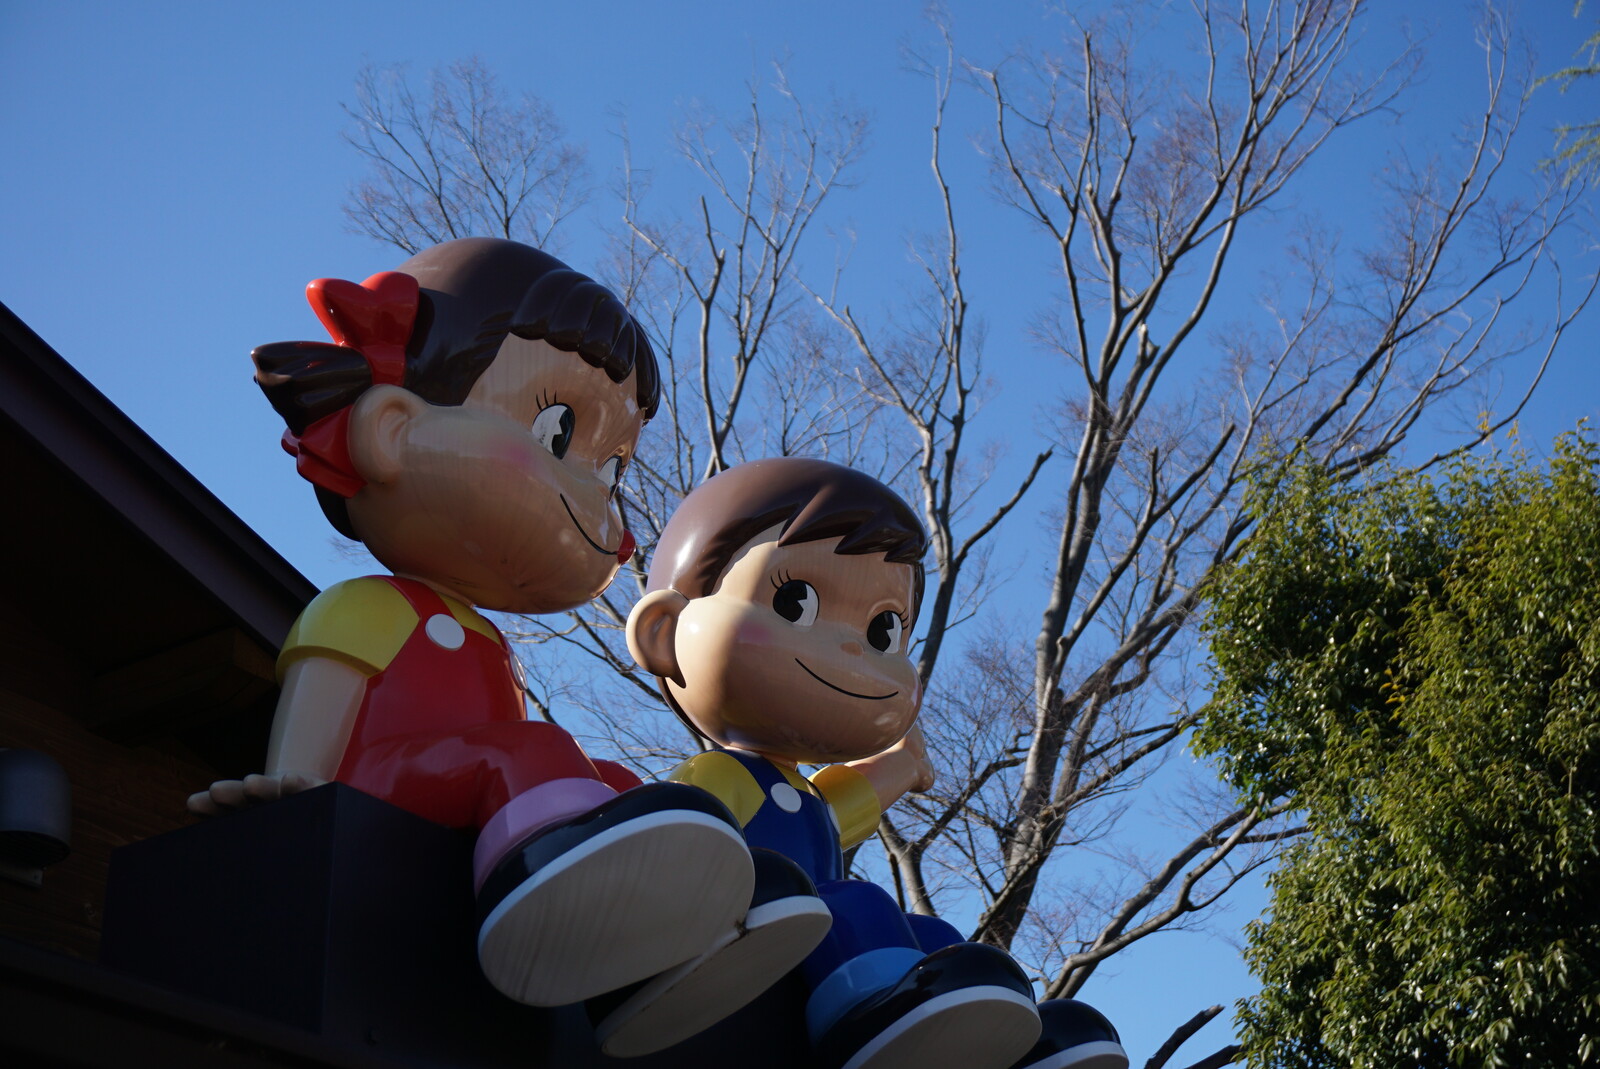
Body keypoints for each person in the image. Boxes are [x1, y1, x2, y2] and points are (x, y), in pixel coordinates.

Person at [186, 238, 757, 1028]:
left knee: (622, 784)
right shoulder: (369, 605)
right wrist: (292, 788)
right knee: (529, 753)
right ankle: (550, 890)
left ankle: (661, 953)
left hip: (457, 817)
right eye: (558, 432)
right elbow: (326, 694)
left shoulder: (493, 644)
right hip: (372, 797)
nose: (601, 500)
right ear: (392, 427)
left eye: (612, 469)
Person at [624, 457, 1129, 1069]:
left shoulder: (811, 803)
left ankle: (996, 1042)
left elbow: (846, 803)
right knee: (856, 905)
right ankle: (868, 1015)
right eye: (795, 601)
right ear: (663, 632)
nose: (849, 646)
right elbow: (678, 846)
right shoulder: (720, 777)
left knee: (936, 940)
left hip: (804, 949)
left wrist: (903, 765)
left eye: (884, 630)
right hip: (739, 942)